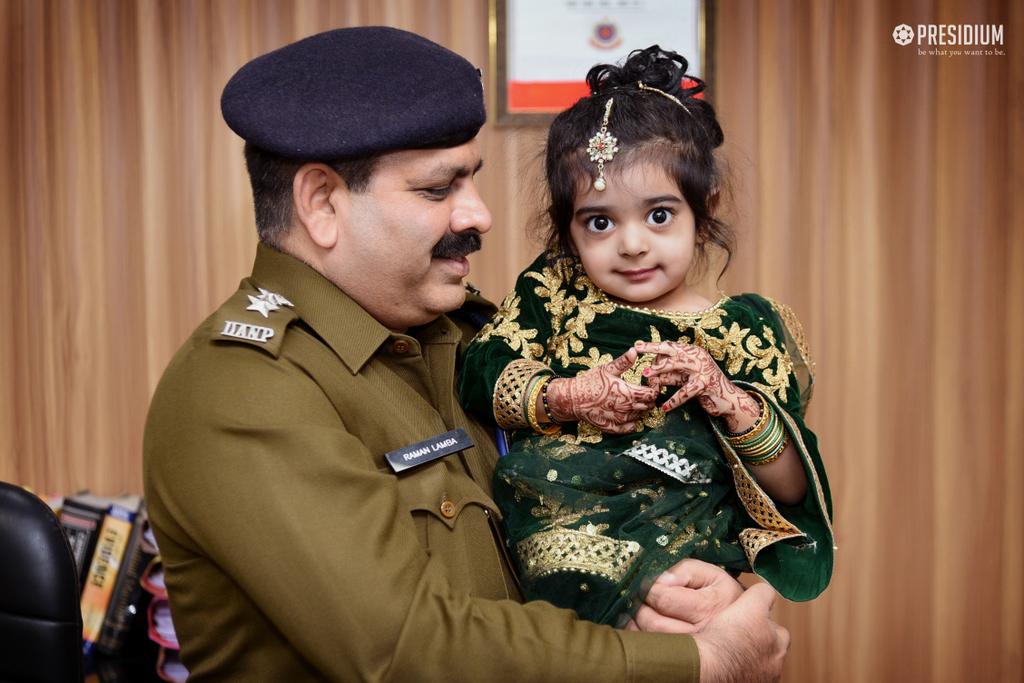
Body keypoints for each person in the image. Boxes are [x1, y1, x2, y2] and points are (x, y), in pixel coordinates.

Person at [143, 27, 790, 682]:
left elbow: (597, 502)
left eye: (472, 181)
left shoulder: (473, 335)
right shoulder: (244, 388)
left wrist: (664, 589)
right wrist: (696, 661)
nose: (479, 215)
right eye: (436, 189)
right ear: (321, 203)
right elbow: (410, 647)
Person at [458, 46, 834, 627]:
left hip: (695, 554)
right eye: (600, 222)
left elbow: (790, 489)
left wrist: (726, 399)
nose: (631, 244)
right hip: (567, 535)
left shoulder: (747, 329)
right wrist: (569, 396)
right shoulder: (555, 292)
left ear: (702, 209)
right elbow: (480, 370)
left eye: (658, 215)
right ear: (568, 231)